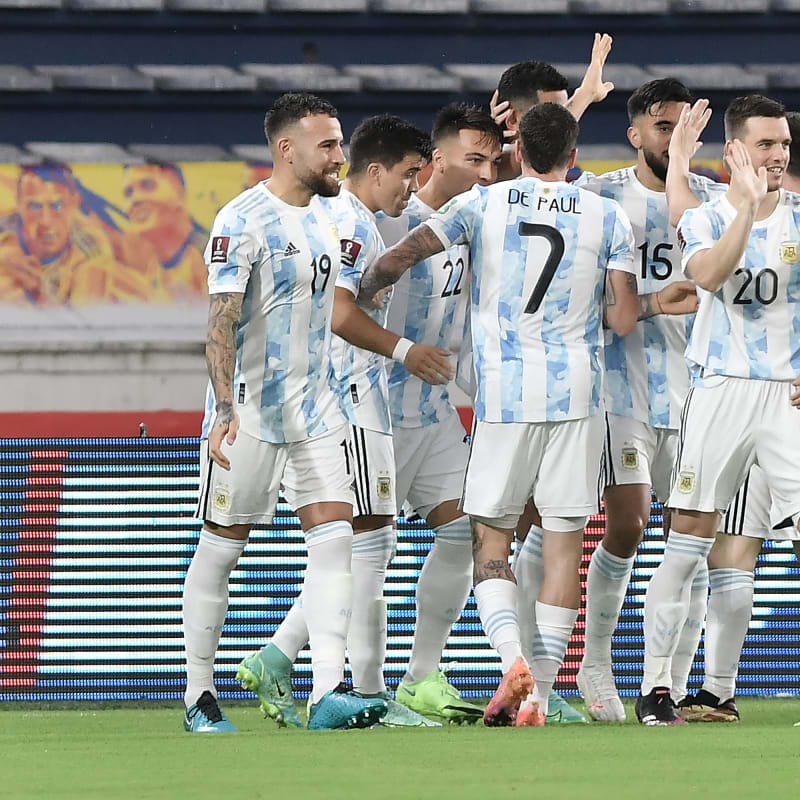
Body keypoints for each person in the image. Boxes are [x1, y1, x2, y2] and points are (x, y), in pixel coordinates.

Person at [359, 102, 698, 727]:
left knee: (490, 540)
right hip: (580, 399)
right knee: (563, 548)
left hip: (506, 398)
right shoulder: (606, 213)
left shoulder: (482, 204)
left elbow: (395, 259)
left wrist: (369, 292)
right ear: (573, 158)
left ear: (520, 153)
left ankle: (512, 658)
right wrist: (653, 303)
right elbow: (623, 318)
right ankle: (539, 690)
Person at [182, 92, 387, 733]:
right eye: (326, 144)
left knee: (335, 541)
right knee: (221, 547)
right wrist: (222, 411)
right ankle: (198, 696)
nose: (339, 155)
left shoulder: (337, 216)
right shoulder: (241, 220)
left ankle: (327, 689)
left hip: (319, 411)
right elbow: (219, 323)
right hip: (251, 413)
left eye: (340, 142)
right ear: (286, 148)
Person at [235, 114, 449, 728]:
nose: (411, 187)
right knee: (367, 549)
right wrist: (406, 351)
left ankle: (283, 658)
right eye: (408, 175)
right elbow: (339, 311)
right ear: (374, 170)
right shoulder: (348, 221)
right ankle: (364, 690)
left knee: (368, 547)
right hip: (348, 397)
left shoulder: (354, 221)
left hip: (361, 397)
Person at [558, 79, 727, 722]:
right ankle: (595, 665)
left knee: (694, 535)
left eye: (687, 128)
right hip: (619, 388)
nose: (677, 138)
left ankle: (674, 683)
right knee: (626, 525)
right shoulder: (600, 197)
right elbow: (545, 208)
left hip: (700, 392)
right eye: (665, 127)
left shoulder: (711, 199)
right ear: (635, 134)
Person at [637, 94, 800, 726]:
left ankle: (719, 692)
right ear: (733, 153)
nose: (779, 154)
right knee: (687, 544)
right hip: (721, 392)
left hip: (785, 397)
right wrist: (748, 213)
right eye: (764, 144)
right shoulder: (704, 219)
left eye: (783, 143)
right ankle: (657, 689)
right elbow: (707, 276)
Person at [375, 103, 503, 725]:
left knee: (466, 530)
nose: (484, 172)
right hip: (379, 414)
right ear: (436, 161)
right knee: (363, 548)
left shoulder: (473, 221)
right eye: (472, 159)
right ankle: (283, 653)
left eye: (491, 160)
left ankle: (422, 677)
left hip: (435, 416)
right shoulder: (391, 222)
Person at [0, 165, 160, 305]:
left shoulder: (92, 252)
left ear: (74, 204)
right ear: (19, 205)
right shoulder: (7, 229)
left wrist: (38, 294)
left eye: (57, 205)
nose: (46, 220)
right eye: (34, 206)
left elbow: (77, 332)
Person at [490, 34, 615, 180]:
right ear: (512, 120)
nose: (560, 122)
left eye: (563, 112)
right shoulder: (477, 178)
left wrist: (586, 94)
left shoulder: (572, 177)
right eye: (548, 113)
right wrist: (585, 95)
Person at [122, 163, 208, 300]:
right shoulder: (153, 270)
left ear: (178, 192)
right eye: (129, 193)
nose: (135, 199)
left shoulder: (214, 260)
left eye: (147, 185)